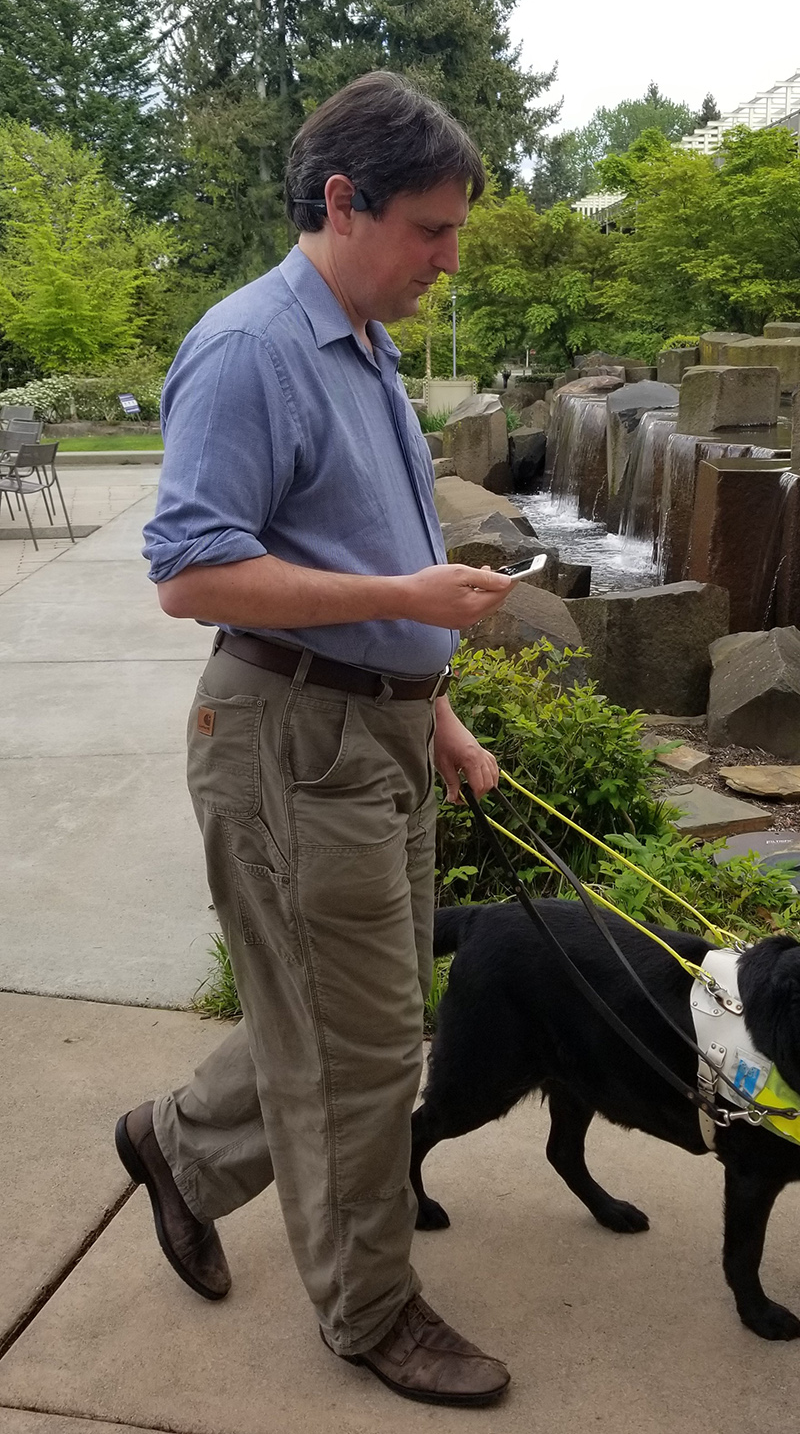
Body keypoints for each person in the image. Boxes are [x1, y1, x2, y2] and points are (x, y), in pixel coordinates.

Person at [116, 72, 516, 1408]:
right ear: (342, 203)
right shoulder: (250, 349)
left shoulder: (360, 340)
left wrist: (438, 712)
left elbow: (362, 550)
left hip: (377, 739)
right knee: (357, 1052)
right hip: (293, 745)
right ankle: (370, 1312)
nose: (446, 261)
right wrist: (408, 602)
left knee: (359, 1016)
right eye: (429, 230)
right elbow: (190, 573)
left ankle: (178, 1146)